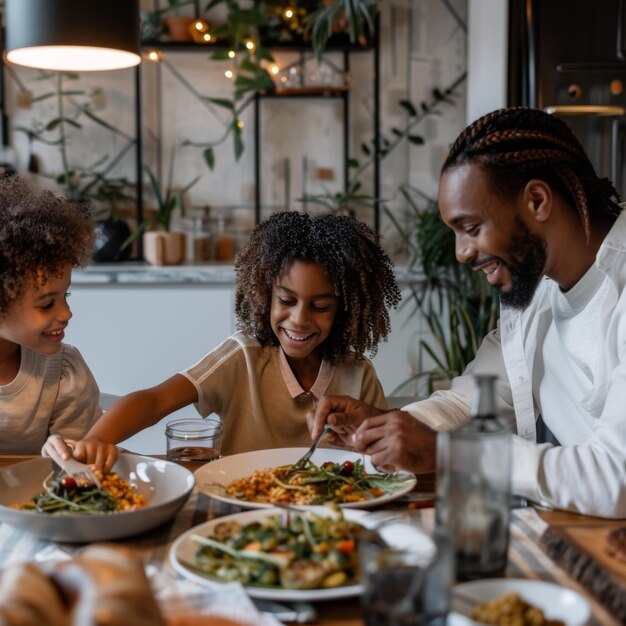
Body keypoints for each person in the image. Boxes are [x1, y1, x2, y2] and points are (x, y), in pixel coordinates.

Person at [308, 106, 626, 519]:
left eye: (471, 228)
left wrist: (449, 453)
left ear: (536, 200)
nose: (461, 253)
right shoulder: (534, 290)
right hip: (578, 533)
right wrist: (391, 427)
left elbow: (617, 479)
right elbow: (472, 399)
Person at [45, 211, 401, 471]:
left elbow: (386, 460)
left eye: (320, 306)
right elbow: (154, 401)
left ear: (344, 309)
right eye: (287, 301)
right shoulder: (243, 356)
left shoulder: (359, 374)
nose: (299, 319)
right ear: (266, 295)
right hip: (239, 505)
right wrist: (96, 439)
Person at [0, 175, 101, 454]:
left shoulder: (62, 372)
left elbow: (78, 464)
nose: (67, 313)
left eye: (65, 296)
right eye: (46, 304)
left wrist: (68, 451)